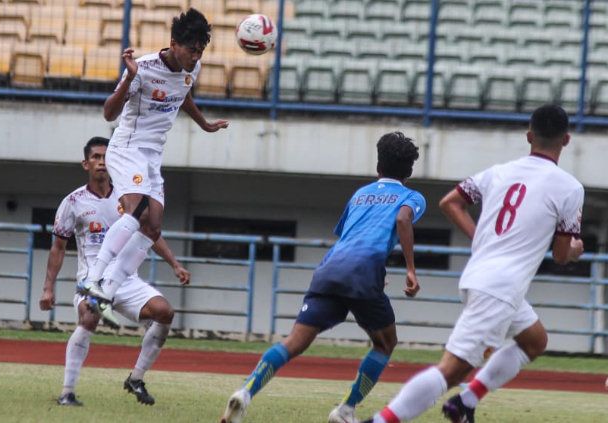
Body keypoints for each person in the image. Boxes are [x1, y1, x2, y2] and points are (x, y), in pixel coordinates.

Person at [365, 105, 585, 423]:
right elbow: (562, 255)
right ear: (566, 140)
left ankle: (465, 403)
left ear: (528, 135)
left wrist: (480, 237)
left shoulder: (498, 171)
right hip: (500, 288)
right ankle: (380, 421)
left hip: (482, 277)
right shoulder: (570, 188)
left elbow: (451, 202)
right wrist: (576, 248)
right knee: (450, 371)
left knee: (535, 340)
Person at [221, 132, 427, 423]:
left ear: (378, 167)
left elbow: (348, 237)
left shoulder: (360, 194)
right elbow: (403, 219)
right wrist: (410, 269)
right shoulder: (411, 196)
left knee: (294, 341)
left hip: (331, 267)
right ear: (409, 171)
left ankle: (246, 391)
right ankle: (345, 410)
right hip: (363, 271)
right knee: (385, 343)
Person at [80, 8, 227, 308]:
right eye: (191, 50)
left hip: (151, 156)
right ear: (174, 44)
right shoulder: (143, 67)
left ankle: (108, 289)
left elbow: (183, 94)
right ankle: (92, 278)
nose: (195, 57)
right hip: (126, 149)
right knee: (137, 212)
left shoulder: (191, 69)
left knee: (153, 226)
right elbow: (109, 113)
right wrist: (129, 78)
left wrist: (204, 124)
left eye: (200, 51)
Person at [39, 137, 191, 407]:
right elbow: (58, 248)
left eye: (105, 157)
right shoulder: (73, 202)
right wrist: (48, 287)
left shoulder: (128, 196)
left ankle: (136, 378)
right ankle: (67, 392)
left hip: (126, 280)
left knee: (165, 312)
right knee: (89, 316)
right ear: (86, 164)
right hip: (92, 279)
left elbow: (151, 233)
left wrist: (175, 264)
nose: (100, 161)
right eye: (95, 157)